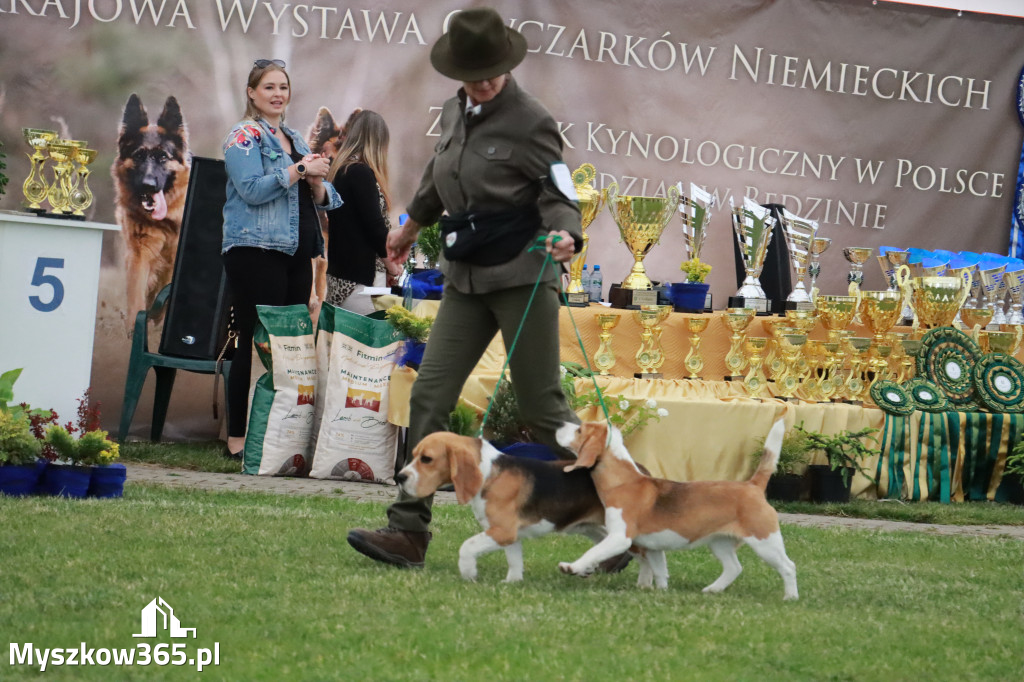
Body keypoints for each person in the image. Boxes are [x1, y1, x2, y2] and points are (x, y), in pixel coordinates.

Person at [346, 7, 585, 567]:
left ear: (507, 63)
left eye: (491, 73)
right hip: (466, 278)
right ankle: (407, 532)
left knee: (542, 408)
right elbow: (438, 177)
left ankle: (626, 507)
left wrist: (566, 236)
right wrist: (407, 229)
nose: (482, 84)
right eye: (472, 75)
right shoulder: (458, 111)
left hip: (523, 277)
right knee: (428, 395)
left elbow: (558, 193)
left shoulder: (531, 120)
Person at [221, 58, 342, 459]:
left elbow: (328, 201)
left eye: (283, 88)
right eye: (269, 87)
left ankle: (279, 435)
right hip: (255, 251)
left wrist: (316, 180)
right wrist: (298, 170)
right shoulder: (243, 136)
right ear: (252, 93)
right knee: (250, 341)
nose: (277, 94)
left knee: (289, 347)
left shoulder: (294, 137)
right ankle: (236, 437)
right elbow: (253, 190)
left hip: (297, 254)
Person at [324, 109, 402, 314]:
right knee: (368, 344)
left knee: (344, 343)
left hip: (340, 277)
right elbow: (374, 227)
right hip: (359, 281)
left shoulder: (341, 171)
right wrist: (392, 266)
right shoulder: (361, 173)